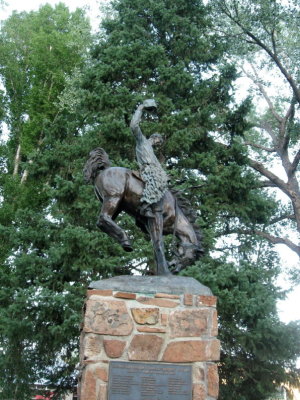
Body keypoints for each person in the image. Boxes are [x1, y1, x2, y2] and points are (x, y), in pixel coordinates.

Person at [130, 99, 168, 218]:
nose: (158, 144)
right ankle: (145, 206)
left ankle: (154, 206)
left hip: (154, 171)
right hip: (147, 170)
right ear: (155, 138)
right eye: (158, 141)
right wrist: (140, 109)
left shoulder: (152, 153)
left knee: (163, 181)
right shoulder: (142, 141)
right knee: (157, 181)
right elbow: (134, 126)